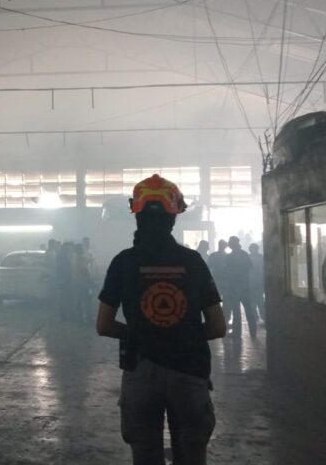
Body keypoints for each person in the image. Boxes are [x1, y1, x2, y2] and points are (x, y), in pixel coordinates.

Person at [97, 174, 227, 465]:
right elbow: (218, 326)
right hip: (189, 372)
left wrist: (139, 334)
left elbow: (103, 325)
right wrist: (184, 334)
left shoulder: (123, 262)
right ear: (174, 217)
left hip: (140, 373)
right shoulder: (193, 262)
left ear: (137, 215)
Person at [225, 237, 258, 339]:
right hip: (245, 286)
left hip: (234, 287)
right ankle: (253, 332)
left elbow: (228, 271)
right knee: (249, 310)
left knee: (236, 311)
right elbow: (250, 269)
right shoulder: (244, 254)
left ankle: (237, 333)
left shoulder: (230, 256)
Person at [207, 240, 229, 324]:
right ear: (225, 246)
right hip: (226, 280)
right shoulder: (227, 256)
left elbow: (208, 267)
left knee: (216, 300)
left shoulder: (213, 255)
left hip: (216, 280)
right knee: (226, 301)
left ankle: (218, 318)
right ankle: (225, 318)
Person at [248, 243, 265, 325]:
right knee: (259, 300)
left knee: (254, 301)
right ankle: (262, 316)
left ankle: (256, 316)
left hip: (252, 282)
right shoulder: (261, 257)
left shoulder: (248, 257)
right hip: (257, 282)